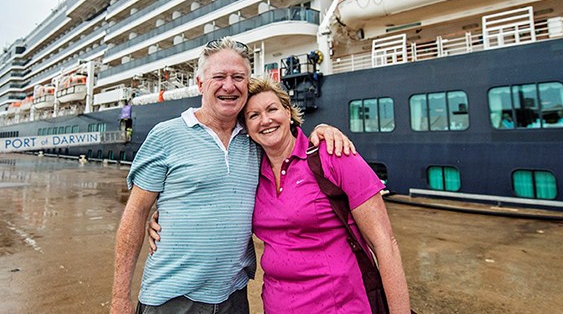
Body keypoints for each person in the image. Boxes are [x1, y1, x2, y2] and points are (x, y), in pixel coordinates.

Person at [111, 37, 353, 314]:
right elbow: (135, 212)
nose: (229, 85)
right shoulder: (166, 135)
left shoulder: (255, 138)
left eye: (238, 77)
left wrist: (323, 129)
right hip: (171, 299)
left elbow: (290, 147)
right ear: (200, 84)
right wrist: (120, 299)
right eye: (219, 77)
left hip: (233, 297)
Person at [244, 77, 411, 313]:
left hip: (341, 306)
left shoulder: (332, 154)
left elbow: (384, 243)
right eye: (253, 115)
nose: (266, 120)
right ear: (247, 129)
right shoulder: (251, 173)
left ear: (289, 113)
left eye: (272, 109)